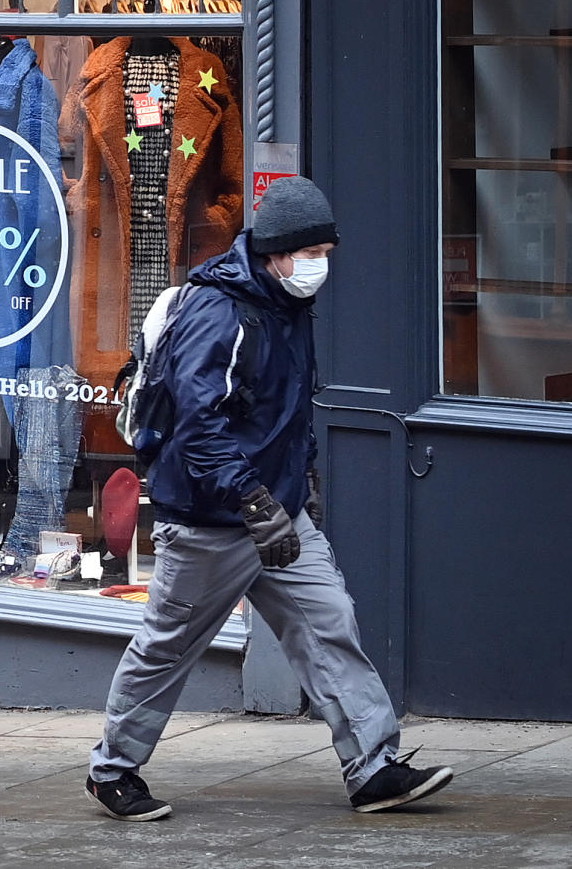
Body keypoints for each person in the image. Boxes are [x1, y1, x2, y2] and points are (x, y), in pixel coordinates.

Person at [84, 176, 453, 820]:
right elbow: (198, 426)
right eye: (312, 254)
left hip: (278, 512)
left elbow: (280, 414)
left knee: (328, 624)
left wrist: (295, 490)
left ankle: (373, 767)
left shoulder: (283, 305)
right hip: (211, 521)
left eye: (328, 254)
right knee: (169, 645)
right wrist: (254, 503)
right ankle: (112, 768)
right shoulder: (218, 312)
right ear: (277, 252)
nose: (321, 267)